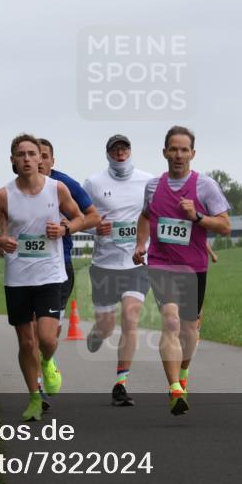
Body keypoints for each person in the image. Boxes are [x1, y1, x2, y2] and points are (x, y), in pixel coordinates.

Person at [0, 133, 85, 421]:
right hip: (18, 278)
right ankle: (35, 398)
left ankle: (48, 362)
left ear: (41, 159)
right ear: (12, 160)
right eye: (20, 154)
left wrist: (65, 229)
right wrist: (1, 242)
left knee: (47, 338)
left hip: (50, 274)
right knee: (26, 343)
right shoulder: (3, 195)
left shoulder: (57, 189)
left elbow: (81, 217)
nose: (26, 159)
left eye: (31, 154)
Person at [133, 126, 231, 415]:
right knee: (171, 322)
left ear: (193, 153)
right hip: (161, 263)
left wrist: (198, 216)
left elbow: (225, 226)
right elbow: (145, 215)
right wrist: (141, 243)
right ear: (164, 152)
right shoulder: (153, 186)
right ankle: (175, 388)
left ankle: (183, 373)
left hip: (194, 267)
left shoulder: (205, 187)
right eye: (173, 149)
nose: (178, 155)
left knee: (188, 330)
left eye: (184, 150)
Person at [82, 134, 154, 407]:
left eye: (124, 148)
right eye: (115, 150)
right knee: (107, 325)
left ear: (131, 151)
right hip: (104, 265)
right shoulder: (94, 182)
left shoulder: (148, 181)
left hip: (136, 262)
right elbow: (76, 216)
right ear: (108, 154)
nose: (120, 153)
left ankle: (121, 384)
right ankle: (97, 333)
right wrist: (93, 227)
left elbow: (158, 214)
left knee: (131, 317)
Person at [37, 138, 101, 330]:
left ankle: (47, 358)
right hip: (27, 262)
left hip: (59, 261)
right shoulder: (16, 187)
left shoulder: (65, 184)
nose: (39, 161)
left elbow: (94, 217)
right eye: (34, 155)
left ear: (52, 161)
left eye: (44, 156)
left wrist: (68, 227)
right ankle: (40, 358)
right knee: (30, 329)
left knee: (50, 326)